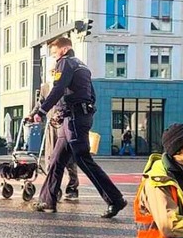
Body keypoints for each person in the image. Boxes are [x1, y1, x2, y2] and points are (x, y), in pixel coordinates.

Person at [29, 37, 126, 218]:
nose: (54, 56)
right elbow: (91, 94)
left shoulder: (65, 63)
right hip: (75, 117)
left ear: (65, 49)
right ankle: (47, 201)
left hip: (73, 119)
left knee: (83, 159)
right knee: (57, 160)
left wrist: (42, 111)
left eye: (55, 51)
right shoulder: (82, 66)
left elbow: (58, 89)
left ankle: (115, 199)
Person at [39, 75, 79, 201]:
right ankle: (54, 188)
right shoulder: (45, 87)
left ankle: (72, 187)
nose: (52, 72)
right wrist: (34, 114)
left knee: (69, 158)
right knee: (50, 157)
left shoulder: (67, 84)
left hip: (64, 124)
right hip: (51, 126)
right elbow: (41, 104)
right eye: (51, 70)